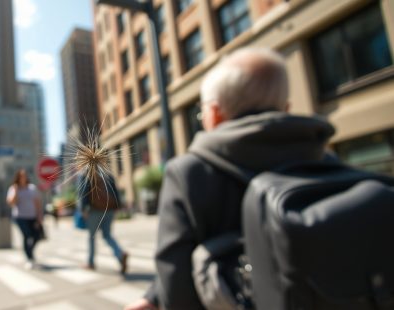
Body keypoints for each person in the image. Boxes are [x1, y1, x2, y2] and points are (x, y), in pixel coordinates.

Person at [125, 48, 335, 310]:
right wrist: (154, 295)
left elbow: (176, 286)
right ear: (286, 108)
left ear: (214, 114)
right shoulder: (325, 160)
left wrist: (158, 297)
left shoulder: (188, 173)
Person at [78, 171, 128, 274]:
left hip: (94, 210)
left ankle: (91, 262)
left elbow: (83, 193)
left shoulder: (86, 174)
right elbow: (115, 191)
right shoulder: (107, 173)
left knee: (91, 236)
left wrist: (83, 209)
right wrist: (118, 206)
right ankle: (120, 254)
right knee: (107, 235)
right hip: (109, 209)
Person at [6, 169, 43, 269]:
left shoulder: (32, 188)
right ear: (18, 177)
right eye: (21, 176)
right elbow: (11, 203)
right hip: (20, 217)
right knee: (27, 236)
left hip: (32, 216)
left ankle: (30, 252)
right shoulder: (13, 188)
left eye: (25, 175)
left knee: (36, 236)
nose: (23, 177)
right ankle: (29, 258)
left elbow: (37, 203)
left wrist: (39, 216)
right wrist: (16, 192)